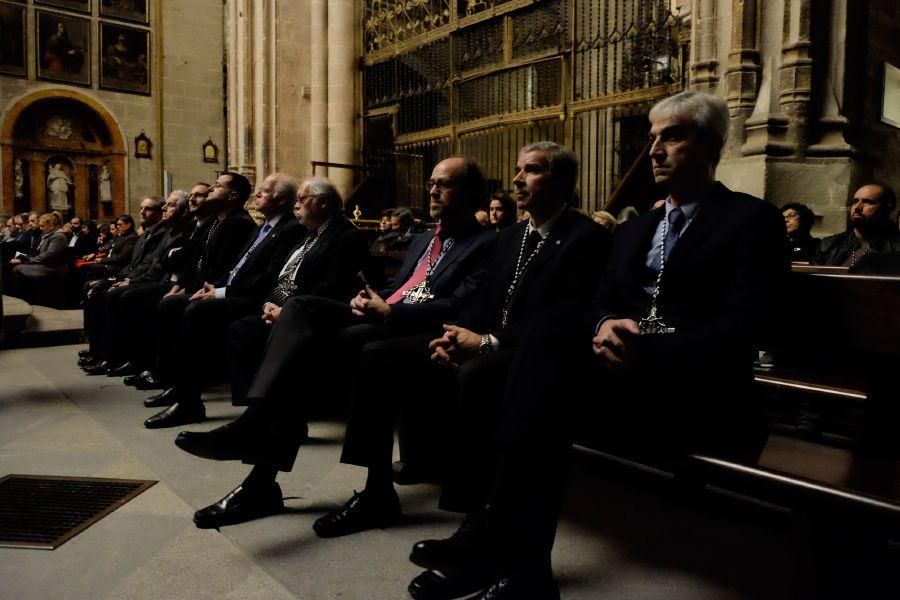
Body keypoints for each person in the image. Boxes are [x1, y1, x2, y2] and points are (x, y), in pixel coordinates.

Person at [408, 91, 789, 600]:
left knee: (532, 375)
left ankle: (494, 536)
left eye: (672, 136)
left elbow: (749, 322)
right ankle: (515, 557)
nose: (654, 150)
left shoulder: (751, 219)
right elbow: (597, 301)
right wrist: (608, 320)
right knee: (506, 366)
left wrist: (644, 341)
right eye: (652, 137)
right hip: (622, 382)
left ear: (712, 144)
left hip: (698, 390)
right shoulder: (638, 229)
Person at [173, 156, 495, 530]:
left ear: (471, 193)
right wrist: (366, 299)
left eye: (445, 184)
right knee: (299, 307)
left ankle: (264, 471)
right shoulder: (425, 239)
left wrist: (388, 312)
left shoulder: (487, 243)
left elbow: (463, 304)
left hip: (415, 328)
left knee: (320, 354)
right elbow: (398, 287)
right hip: (381, 314)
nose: (433, 190)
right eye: (431, 183)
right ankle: (258, 438)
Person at [316, 142, 612, 544]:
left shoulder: (586, 236)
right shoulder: (509, 237)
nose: (517, 179)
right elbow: (483, 302)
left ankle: (475, 518)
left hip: (533, 350)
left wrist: (486, 340)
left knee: (476, 375)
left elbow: (564, 315)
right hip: (485, 337)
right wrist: (455, 335)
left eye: (532, 170)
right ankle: (376, 490)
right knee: (376, 355)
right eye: (518, 169)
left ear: (560, 180)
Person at [141, 173, 308, 427]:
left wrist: (220, 293)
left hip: (256, 300)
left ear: (282, 199)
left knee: (195, 311)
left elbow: (269, 279)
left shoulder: (289, 229)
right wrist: (215, 287)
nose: (257, 194)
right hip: (233, 291)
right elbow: (235, 266)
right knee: (172, 304)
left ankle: (189, 403)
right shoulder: (262, 227)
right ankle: (179, 385)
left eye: (264, 190)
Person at [813, 183, 900, 269]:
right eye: (855, 201)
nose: (857, 207)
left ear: (887, 208)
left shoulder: (896, 247)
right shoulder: (828, 245)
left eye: (867, 202)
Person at [9, 212, 69, 305]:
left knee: (17, 268)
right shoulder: (48, 235)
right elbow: (38, 253)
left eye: (42, 226)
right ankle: (27, 298)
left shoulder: (58, 236)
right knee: (16, 265)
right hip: (44, 264)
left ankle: (25, 299)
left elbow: (48, 255)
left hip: (52, 268)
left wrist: (26, 260)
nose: (40, 228)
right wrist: (24, 258)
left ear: (51, 225)